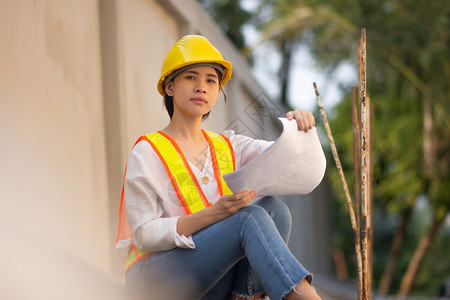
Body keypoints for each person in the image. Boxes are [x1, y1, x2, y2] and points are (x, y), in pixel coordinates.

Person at [116, 35, 322, 300]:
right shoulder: (147, 151)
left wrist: (296, 124)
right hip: (154, 279)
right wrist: (214, 215)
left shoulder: (229, 145)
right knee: (248, 218)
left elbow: (282, 153)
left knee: (275, 210)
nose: (201, 87)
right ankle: (302, 294)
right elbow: (144, 234)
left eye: (211, 81)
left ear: (217, 92)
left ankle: (247, 296)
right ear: (169, 86)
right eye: (191, 77)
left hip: (210, 281)